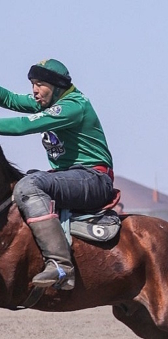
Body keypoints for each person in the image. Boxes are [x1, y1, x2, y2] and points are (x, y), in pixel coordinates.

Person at [0, 59, 114, 290]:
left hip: (93, 179)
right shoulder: (48, 103)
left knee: (28, 186)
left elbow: (23, 125)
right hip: (71, 177)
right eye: (32, 83)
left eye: (40, 84)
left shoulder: (72, 106)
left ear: (58, 86)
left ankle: (61, 266)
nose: (34, 90)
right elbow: (10, 99)